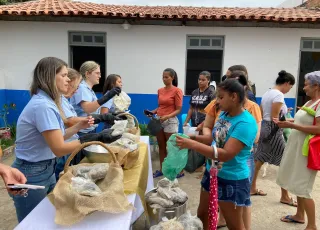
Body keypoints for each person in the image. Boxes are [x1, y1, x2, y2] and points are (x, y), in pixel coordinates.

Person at [10, 57, 120, 222]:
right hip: (31, 172)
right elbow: (59, 148)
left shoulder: (49, 103)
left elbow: (57, 137)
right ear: (49, 77)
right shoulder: (43, 106)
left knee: (48, 217)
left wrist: (77, 127)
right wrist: (93, 137)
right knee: (33, 222)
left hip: (45, 168)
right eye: (63, 75)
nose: (68, 79)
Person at [176, 79, 258, 230]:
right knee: (203, 213)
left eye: (221, 97)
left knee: (234, 225)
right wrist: (191, 137)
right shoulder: (224, 115)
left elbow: (226, 154)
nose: (217, 101)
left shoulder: (246, 123)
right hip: (212, 173)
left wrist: (193, 145)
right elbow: (212, 139)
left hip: (231, 179)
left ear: (233, 97)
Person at [276, 71, 320, 230]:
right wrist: (288, 121)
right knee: (296, 183)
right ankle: (299, 215)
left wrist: (292, 125)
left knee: (303, 187)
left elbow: (318, 128)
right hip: (297, 148)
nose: (304, 87)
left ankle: (313, 225)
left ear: (316, 86)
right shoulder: (310, 103)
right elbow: (304, 120)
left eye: (307, 84)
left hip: (307, 152)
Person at [252, 70, 296, 206]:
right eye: (291, 87)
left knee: (259, 159)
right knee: (285, 162)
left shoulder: (267, 93)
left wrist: (285, 114)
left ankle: (251, 187)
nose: (289, 90)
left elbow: (263, 112)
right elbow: (276, 119)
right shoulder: (278, 95)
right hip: (273, 130)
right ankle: (285, 196)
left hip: (266, 127)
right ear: (287, 83)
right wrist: (293, 120)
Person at [148, 68, 183, 178]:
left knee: (172, 147)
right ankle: (162, 169)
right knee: (161, 146)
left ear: (172, 78)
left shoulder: (177, 91)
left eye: (166, 77)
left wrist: (167, 116)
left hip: (170, 121)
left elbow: (178, 109)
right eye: (163, 77)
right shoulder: (160, 90)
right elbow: (160, 106)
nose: (164, 79)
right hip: (159, 120)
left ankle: (178, 171)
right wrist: (153, 112)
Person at [70, 61, 121, 136]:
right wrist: (108, 96)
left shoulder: (89, 90)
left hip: (89, 129)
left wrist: (112, 114)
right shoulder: (82, 88)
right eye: (97, 73)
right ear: (87, 74)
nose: (100, 76)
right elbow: (88, 108)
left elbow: (94, 109)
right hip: (82, 131)